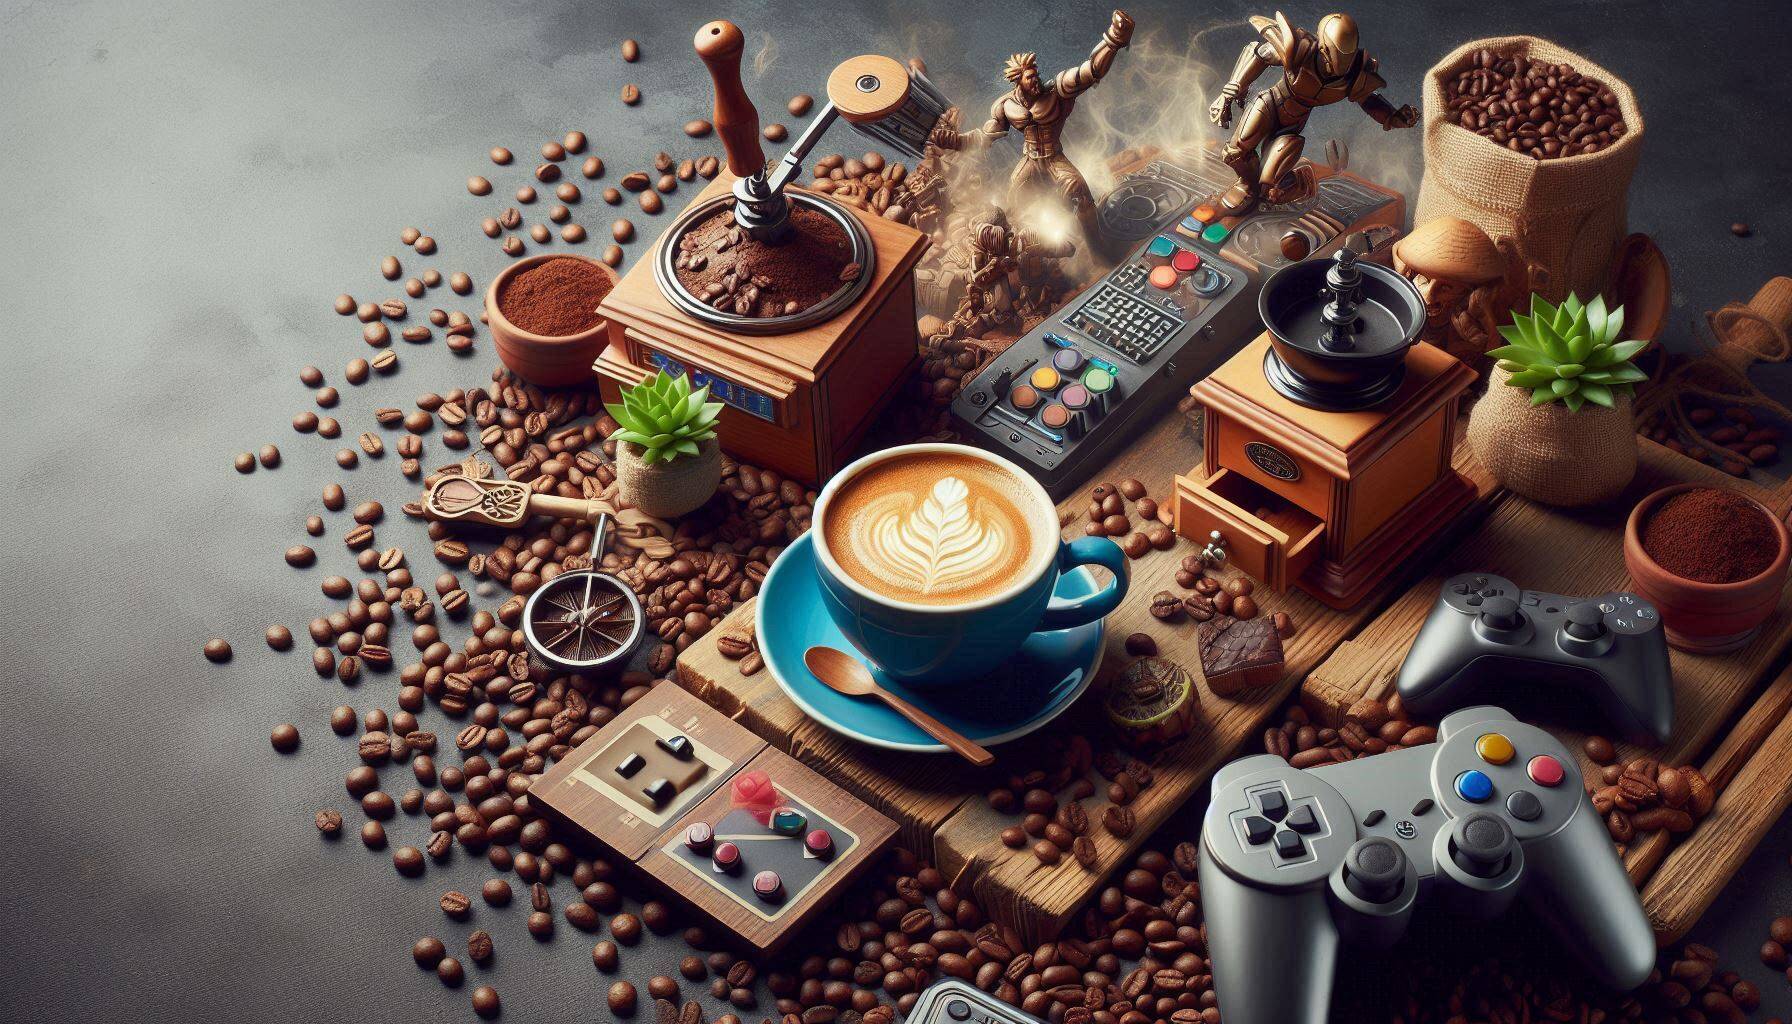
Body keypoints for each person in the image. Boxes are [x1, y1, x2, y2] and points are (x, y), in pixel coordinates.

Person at [931, 10, 1135, 242]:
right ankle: (1020, 256)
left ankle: (1097, 244)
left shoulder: (1057, 90)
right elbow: (984, 137)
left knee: (1079, 191)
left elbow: (1090, 71)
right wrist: (955, 141)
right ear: (1019, 81)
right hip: (1029, 160)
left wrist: (1114, 39)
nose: (1036, 80)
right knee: (1015, 202)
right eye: (1030, 77)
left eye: (1036, 75)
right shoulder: (1006, 105)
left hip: (1054, 158)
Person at [1209, 12, 1416, 215]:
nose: (1336, 69)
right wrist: (1234, 88)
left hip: (1292, 125)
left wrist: (1392, 117)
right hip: (1270, 103)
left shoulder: (1353, 76)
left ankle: (1298, 183)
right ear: (1324, 47)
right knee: (1234, 152)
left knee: (1269, 187)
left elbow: (1369, 99)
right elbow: (1261, 54)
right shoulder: (1300, 51)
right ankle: (1246, 185)